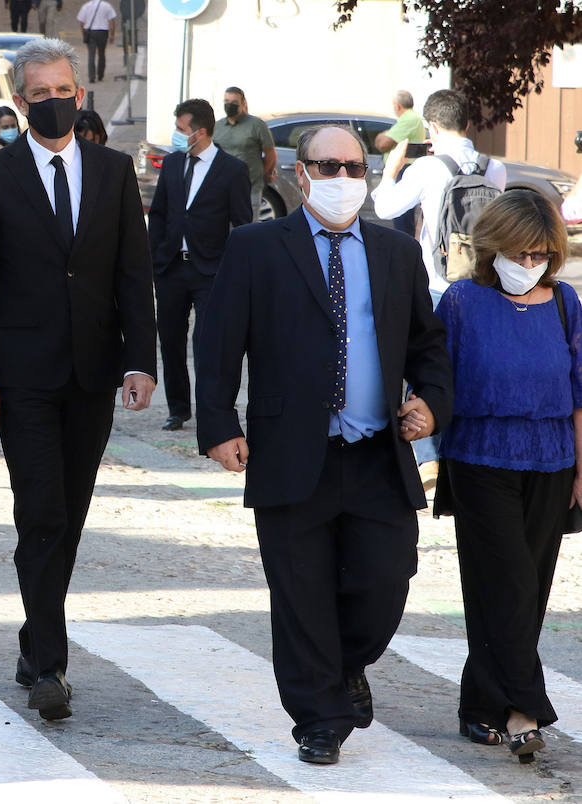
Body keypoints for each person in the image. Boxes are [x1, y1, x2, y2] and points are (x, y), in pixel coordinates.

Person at [195, 124, 452, 765]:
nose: (342, 178)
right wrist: (219, 425)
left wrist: (430, 402)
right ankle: (319, 719)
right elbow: (219, 341)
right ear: (298, 173)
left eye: (353, 166)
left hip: (376, 452)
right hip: (290, 449)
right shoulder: (257, 247)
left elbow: (428, 346)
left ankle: (345, 664)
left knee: (385, 581)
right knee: (300, 592)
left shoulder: (395, 252)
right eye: (327, 166)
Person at [0, 38, 157, 721]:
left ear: (80, 92)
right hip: (22, 378)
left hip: (93, 372)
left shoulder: (111, 170)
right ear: (20, 102)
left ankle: (32, 634)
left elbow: (134, 272)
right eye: (37, 93)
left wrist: (141, 359)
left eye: (61, 90)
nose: (52, 102)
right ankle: (49, 664)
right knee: (40, 510)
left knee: (67, 516)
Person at [434, 190, 578, 763]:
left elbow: (581, 396)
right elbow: (436, 381)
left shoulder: (567, 303)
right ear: (492, 247)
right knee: (506, 581)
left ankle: (479, 705)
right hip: (479, 458)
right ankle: (525, 709)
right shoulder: (462, 301)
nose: (530, 263)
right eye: (519, 252)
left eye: (542, 253)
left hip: (551, 460)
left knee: (526, 591)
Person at [148, 99, 250, 432]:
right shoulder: (173, 163)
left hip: (211, 271)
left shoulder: (231, 170)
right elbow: (159, 213)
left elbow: (243, 225)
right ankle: (178, 409)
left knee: (207, 344)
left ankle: (211, 408)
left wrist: (234, 271)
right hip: (172, 268)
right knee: (171, 341)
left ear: (200, 132)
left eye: (181, 130)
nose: (177, 136)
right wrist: (156, 256)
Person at [372, 88, 506, 292]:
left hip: (441, 282)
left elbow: (384, 209)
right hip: (484, 279)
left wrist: (390, 172)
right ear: (467, 125)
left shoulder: (427, 167)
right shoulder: (495, 168)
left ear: (433, 128)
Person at [212, 87, 277, 220]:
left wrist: (264, 174)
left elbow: (270, 154)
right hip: (223, 186)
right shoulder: (217, 127)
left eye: (234, 102)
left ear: (243, 104)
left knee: (247, 227)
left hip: (250, 187)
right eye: (226, 101)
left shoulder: (256, 125)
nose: (229, 105)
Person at [372, 90, 426, 237]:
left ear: (396, 105)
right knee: (402, 218)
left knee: (401, 218)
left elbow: (382, 143)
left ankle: (405, 253)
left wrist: (384, 135)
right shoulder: (409, 119)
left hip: (403, 168)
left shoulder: (409, 119)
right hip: (404, 168)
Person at [77, 0, 116, 83]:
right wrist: (112, 35)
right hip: (103, 31)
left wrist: (84, 34)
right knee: (101, 54)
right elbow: (112, 21)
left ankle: (92, 77)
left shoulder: (86, 6)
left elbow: (81, 22)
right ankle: (100, 75)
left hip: (90, 32)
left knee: (91, 55)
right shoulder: (107, 6)